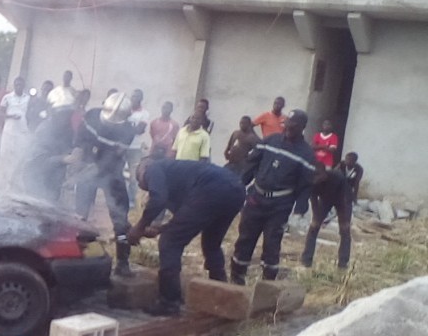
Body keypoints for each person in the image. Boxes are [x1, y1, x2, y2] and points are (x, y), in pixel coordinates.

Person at [128, 158, 246, 315]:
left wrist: (139, 227)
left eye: (139, 179)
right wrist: (160, 229)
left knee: (169, 242)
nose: (140, 185)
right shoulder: (176, 176)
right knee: (211, 243)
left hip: (212, 188)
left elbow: (158, 199)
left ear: (143, 168)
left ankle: (169, 302)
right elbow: (185, 219)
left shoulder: (153, 167)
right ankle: (221, 292)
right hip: (235, 190)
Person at [230, 109, 316, 284]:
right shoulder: (270, 140)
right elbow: (251, 164)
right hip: (256, 198)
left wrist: (299, 210)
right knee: (245, 238)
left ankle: (267, 284)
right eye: (287, 124)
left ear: (302, 127)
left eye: (294, 125)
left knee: (272, 244)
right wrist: (239, 186)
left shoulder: (306, 154)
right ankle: (236, 278)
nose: (288, 128)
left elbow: (305, 185)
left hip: (280, 205)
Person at [74, 92, 139, 276]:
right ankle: (79, 258)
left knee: (120, 218)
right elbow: (80, 140)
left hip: (112, 173)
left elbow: (114, 157)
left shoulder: (128, 131)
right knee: (80, 217)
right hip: (87, 168)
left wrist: (96, 169)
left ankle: (123, 263)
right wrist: (81, 159)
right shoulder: (91, 116)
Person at [301, 163, 352, 270]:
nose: (316, 179)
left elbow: (346, 198)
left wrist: (345, 218)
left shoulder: (337, 177)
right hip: (325, 201)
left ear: (325, 173)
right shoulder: (312, 182)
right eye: (314, 176)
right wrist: (316, 216)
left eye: (318, 175)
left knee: (345, 230)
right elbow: (313, 199)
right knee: (313, 227)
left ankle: (343, 263)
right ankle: (306, 260)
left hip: (342, 199)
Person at [0, 77, 31, 182]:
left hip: (22, 131)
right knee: (5, 154)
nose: (18, 87)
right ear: (14, 85)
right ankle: (2, 178)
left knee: (19, 155)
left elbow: (31, 113)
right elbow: (0, 113)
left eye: (20, 85)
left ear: (24, 86)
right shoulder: (7, 98)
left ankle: (14, 179)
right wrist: (11, 116)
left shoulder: (28, 98)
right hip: (9, 130)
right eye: (17, 85)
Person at [126, 88, 151, 205]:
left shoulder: (144, 114)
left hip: (135, 148)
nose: (133, 98)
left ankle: (132, 200)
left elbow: (140, 130)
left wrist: (125, 129)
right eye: (132, 96)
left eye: (136, 96)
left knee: (133, 176)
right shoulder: (125, 111)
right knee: (118, 174)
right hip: (121, 146)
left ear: (141, 99)